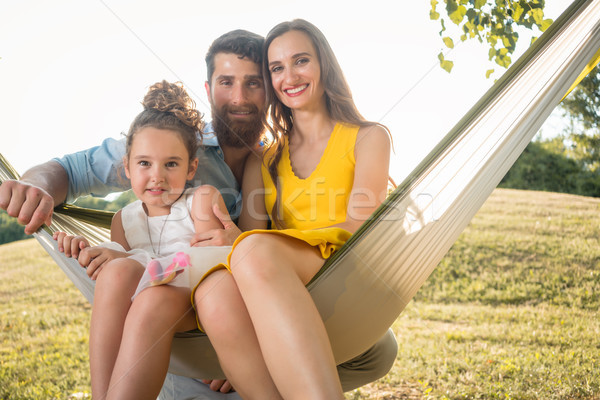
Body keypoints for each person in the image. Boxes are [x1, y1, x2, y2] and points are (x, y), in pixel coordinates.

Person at [0, 29, 398, 399]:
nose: (239, 96)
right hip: (192, 355)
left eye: (254, 81)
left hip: (271, 307)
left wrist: (234, 331)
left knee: (372, 346)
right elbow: (70, 171)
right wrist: (35, 188)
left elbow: (251, 245)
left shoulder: (272, 157)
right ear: (209, 89)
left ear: (271, 91)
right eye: (227, 82)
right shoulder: (168, 142)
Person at [189, 19, 392, 399]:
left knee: (252, 248)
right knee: (220, 285)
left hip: (345, 276)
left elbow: (355, 230)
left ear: (323, 65)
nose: (290, 76)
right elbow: (247, 240)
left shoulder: (368, 138)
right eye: (277, 68)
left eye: (301, 61)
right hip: (282, 284)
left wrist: (256, 242)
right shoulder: (265, 159)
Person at [53, 80, 233, 399]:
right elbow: (123, 282)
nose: (157, 176)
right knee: (117, 271)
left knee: (132, 277)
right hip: (148, 312)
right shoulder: (124, 218)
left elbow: (215, 268)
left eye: (171, 164)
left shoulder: (202, 200)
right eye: (144, 163)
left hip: (194, 305)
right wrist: (94, 253)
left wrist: (128, 260)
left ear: (192, 167)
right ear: (127, 167)